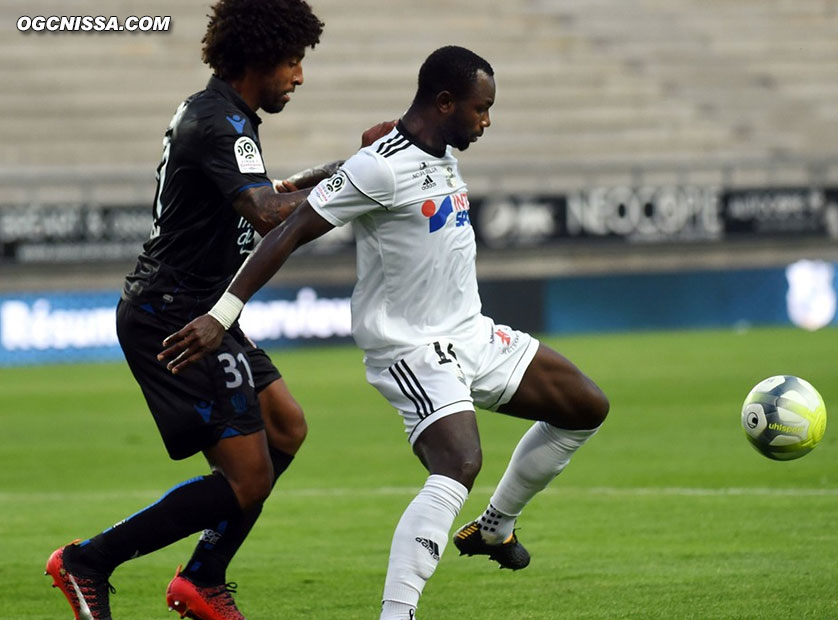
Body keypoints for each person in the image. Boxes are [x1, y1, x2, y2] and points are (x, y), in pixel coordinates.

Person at [159, 45, 609, 620]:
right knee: (458, 464)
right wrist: (223, 313)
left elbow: (399, 149)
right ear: (445, 103)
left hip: (472, 333)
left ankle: (496, 527)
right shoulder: (378, 166)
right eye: (480, 109)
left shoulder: (435, 148)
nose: (486, 121)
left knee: (585, 407)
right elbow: (288, 231)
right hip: (414, 347)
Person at [45, 2, 394, 619]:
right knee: (247, 478)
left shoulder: (223, 114)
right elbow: (266, 215)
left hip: (200, 306)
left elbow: (272, 190)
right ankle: (89, 561)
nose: (299, 77)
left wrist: (355, 167)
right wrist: (358, 190)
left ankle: (202, 577)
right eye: (293, 62)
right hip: (173, 314)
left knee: (286, 425)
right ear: (258, 58)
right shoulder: (221, 123)